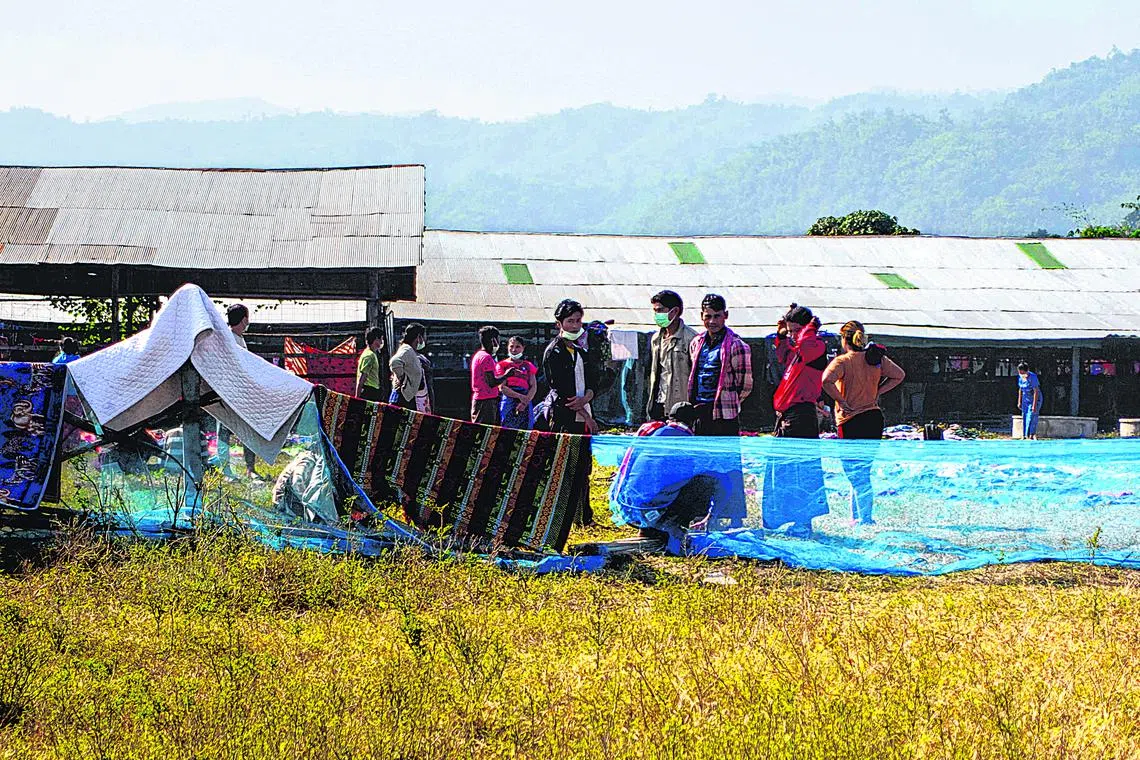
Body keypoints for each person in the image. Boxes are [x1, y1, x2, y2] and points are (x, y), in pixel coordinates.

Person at [821, 320, 906, 524]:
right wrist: (878, 391)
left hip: (851, 420)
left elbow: (826, 380)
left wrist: (841, 400)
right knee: (862, 471)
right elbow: (899, 375)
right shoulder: (874, 359)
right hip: (873, 418)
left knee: (854, 473)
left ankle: (865, 518)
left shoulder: (843, 361)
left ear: (844, 339)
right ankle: (857, 516)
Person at [611, 402, 723, 543]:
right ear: (693, 422)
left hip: (630, 509)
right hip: (655, 511)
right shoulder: (688, 442)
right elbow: (714, 472)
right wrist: (713, 515)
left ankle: (648, 528)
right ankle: (672, 527)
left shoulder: (651, 433)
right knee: (704, 483)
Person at [763, 303, 829, 537]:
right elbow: (783, 355)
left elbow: (807, 344)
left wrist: (808, 329)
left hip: (801, 416)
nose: (792, 336)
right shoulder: (798, 351)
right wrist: (782, 335)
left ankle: (803, 521)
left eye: (795, 331)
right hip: (787, 416)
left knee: (801, 471)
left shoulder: (815, 345)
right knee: (784, 471)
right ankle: (787, 517)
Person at [687, 293, 753, 435]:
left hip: (725, 414)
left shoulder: (737, 346)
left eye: (717, 316)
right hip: (699, 409)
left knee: (726, 456)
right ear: (701, 316)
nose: (712, 321)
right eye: (708, 316)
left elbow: (745, 385)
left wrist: (729, 400)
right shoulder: (696, 343)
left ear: (726, 315)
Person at [210, 304, 260, 481]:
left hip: (240, 393)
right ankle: (225, 471)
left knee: (247, 429)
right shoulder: (228, 339)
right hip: (227, 392)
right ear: (244, 319)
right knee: (224, 431)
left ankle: (249, 468)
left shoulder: (239, 339)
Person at [540, 300, 601, 435]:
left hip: (585, 410)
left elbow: (593, 380)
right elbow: (563, 391)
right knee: (564, 453)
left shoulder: (581, 351)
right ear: (559, 324)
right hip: (563, 414)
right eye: (570, 321)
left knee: (582, 454)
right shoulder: (554, 352)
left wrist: (585, 399)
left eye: (578, 321)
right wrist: (587, 417)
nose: (575, 326)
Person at [647, 290, 699, 422]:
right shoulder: (656, 339)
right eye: (655, 311)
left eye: (660, 311)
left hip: (681, 406)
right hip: (659, 402)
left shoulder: (691, 338)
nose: (657, 315)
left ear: (675, 311)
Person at [470, 326, 517, 425]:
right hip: (486, 401)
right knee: (486, 433)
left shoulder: (479, 355)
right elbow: (492, 382)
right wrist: (506, 375)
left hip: (481, 400)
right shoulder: (486, 358)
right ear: (493, 340)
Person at [497, 336, 538, 429]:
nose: (514, 350)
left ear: (523, 348)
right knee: (507, 429)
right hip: (509, 399)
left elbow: (533, 386)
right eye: (511, 346)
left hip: (526, 399)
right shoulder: (502, 365)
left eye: (517, 347)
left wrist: (524, 402)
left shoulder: (528, 366)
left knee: (526, 429)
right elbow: (502, 387)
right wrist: (520, 397)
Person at [389, 323, 426, 411]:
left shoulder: (410, 350)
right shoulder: (407, 350)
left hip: (407, 397)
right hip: (404, 397)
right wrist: (402, 378)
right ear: (418, 337)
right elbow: (394, 362)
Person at [355, 327, 385, 402]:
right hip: (369, 391)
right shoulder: (369, 355)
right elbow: (362, 377)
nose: (382, 342)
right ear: (376, 339)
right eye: (381, 339)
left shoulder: (371, 354)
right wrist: (356, 398)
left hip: (372, 390)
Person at [1017, 362, 1042, 439]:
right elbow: (1020, 389)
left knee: (1032, 416)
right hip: (1025, 398)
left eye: (1022, 372)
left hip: (1034, 398)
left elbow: (1036, 391)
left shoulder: (1033, 377)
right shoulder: (1020, 377)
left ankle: (1031, 434)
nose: (1021, 374)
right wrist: (1019, 401)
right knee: (1024, 415)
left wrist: (1034, 405)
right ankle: (1025, 434)